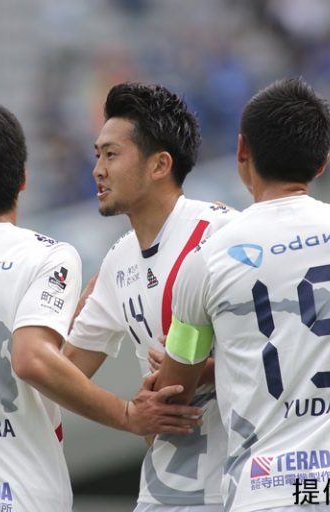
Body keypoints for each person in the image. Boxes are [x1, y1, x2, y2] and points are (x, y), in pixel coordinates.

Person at [0, 103, 203, 512]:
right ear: (23, 178)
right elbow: (33, 360)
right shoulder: (45, 257)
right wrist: (127, 414)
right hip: (14, 496)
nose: (99, 168)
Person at [156, 78, 330, 511]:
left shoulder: (204, 260)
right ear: (323, 162)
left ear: (241, 150)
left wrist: (180, 373)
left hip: (267, 489)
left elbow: (176, 385)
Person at [64, 82, 237, 512]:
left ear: (160, 164)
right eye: (97, 155)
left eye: (111, 155)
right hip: (165, 488)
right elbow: (64, 371)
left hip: (241, 483)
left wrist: (199, 370)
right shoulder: (117, 261)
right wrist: (129, 413)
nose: (97, 170)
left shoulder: (222, 233)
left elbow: (283, 345)